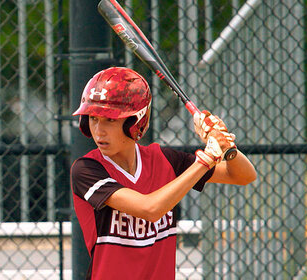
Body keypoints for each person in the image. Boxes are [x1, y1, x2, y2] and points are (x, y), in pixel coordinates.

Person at [70, 67, 256, 280]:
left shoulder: (164, 160)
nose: (99, 130)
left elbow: (243, 175)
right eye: (93, 118)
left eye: (110, 120)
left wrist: (225, 146)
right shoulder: (87, 169)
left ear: (135, 121)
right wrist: (206, 159)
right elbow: (149, 209)